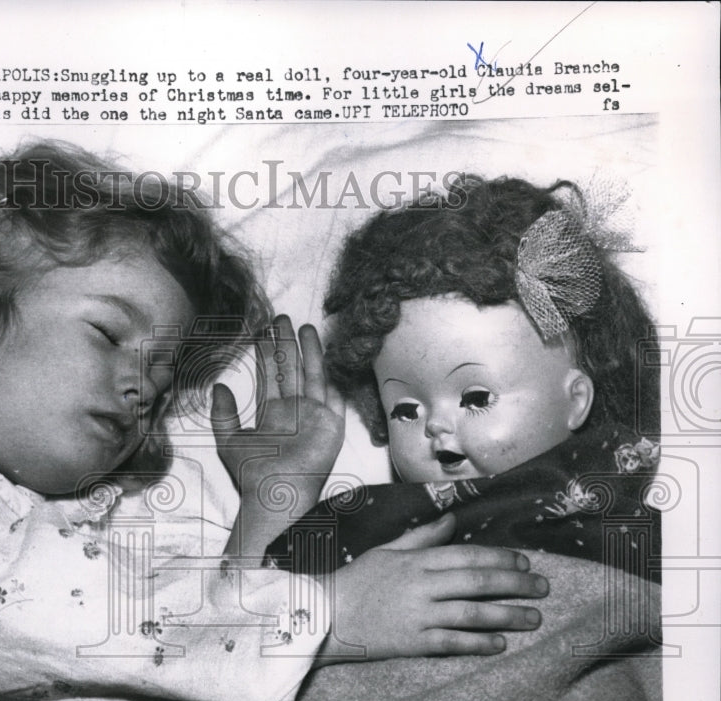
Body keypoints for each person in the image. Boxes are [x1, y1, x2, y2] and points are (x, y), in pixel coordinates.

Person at [0, 145, 549, 701]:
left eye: (163, 381)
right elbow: (28, 622)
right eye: (108, 333)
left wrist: (270, 503)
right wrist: (327, 616)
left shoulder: (35, 506)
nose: (143, 389)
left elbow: (160, 653)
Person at [266, 175, 662, 581]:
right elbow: (251, 603)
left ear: (576, 400)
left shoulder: (630, 522)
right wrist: (277, 496)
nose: (436, 424)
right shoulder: (374, 523)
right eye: (406, 411)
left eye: (475, 399)